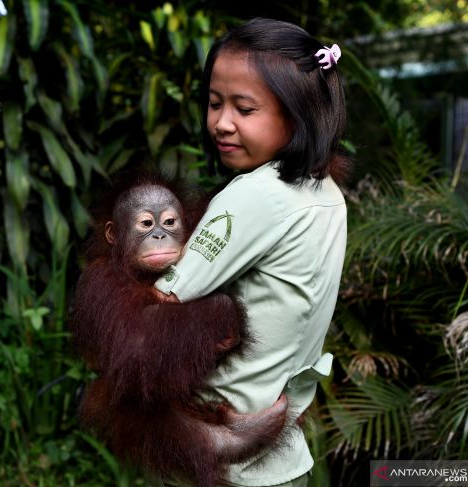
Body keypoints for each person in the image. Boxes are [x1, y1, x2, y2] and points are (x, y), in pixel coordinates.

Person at [154, 17, 349, 487]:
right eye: (215, 102)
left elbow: (162, 302)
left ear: (298, 113)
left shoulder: (257, 195)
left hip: (222, 461)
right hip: (278, 462)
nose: (221, 122)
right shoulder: (325, 193)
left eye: (244, 108)